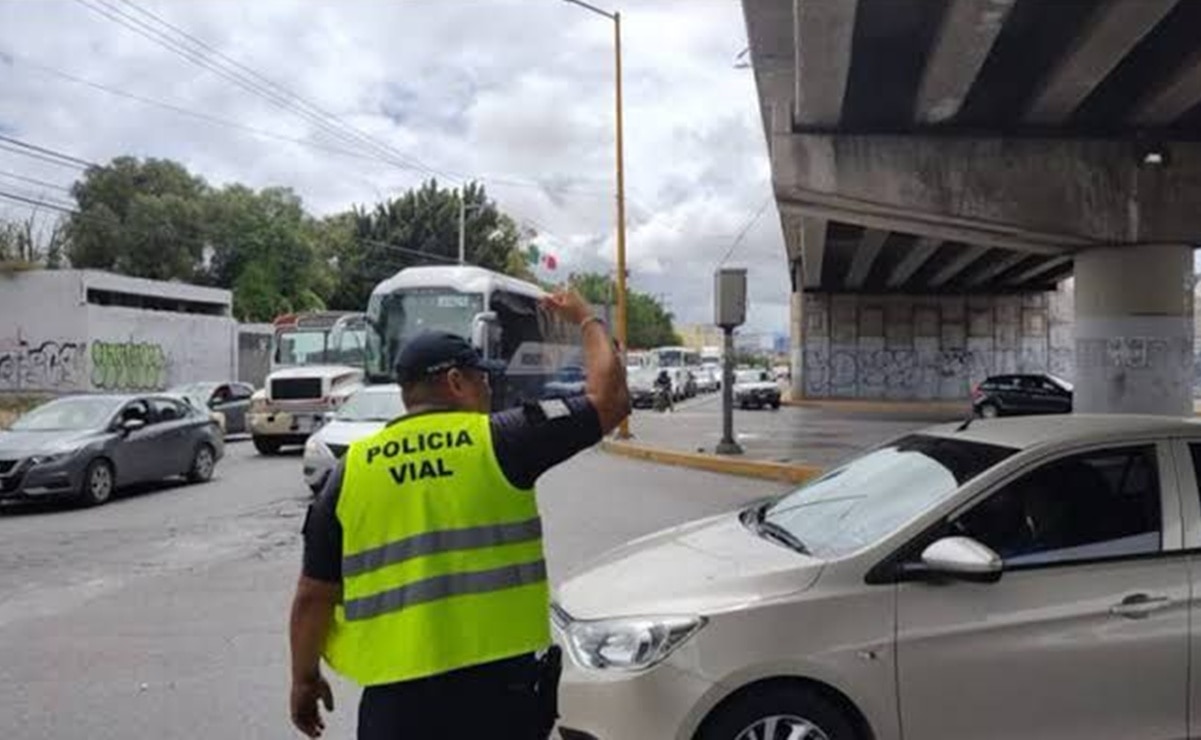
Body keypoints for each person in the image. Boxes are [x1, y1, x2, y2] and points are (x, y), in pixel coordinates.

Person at [288, 287, 630, 740]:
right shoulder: (502, 440)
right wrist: (587, 318)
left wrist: (303, 679)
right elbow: (611, 400)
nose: (488, 387)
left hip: (396, 707)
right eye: (480, 378)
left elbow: (313, 596)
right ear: (455, 382)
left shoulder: (350, 473)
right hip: (499, 698)